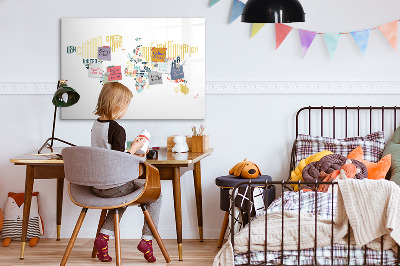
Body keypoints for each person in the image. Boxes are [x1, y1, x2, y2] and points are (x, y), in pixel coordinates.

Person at [91, 82, 161, 263]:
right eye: (126, 105)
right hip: (114, 186)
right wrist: (136, 148)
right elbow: (119, 161)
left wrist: (131, 149)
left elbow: (108, 154)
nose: (126, 110)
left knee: (121, 197)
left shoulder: (96, 125)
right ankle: (147, 240)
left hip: (97, 186)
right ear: (118, 105)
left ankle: (103, 238)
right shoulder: (117, 129)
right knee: (156, 194)